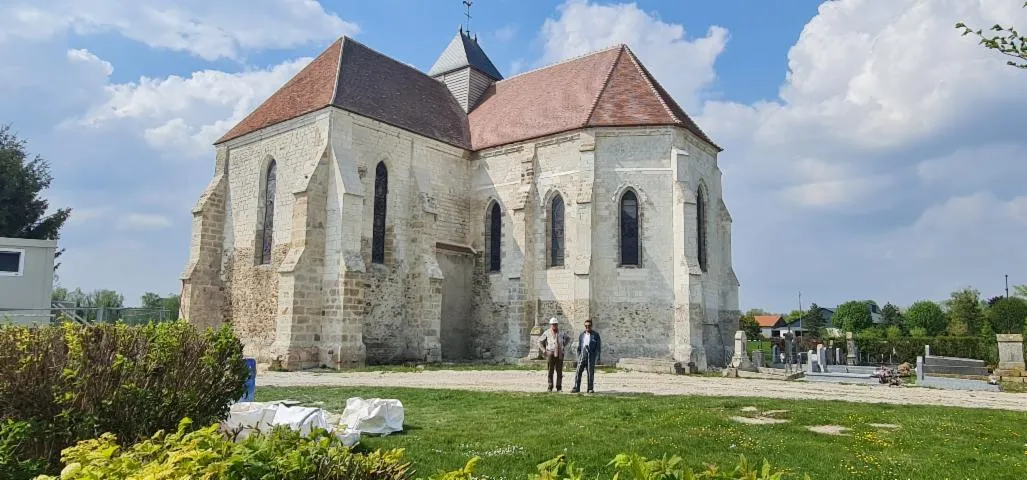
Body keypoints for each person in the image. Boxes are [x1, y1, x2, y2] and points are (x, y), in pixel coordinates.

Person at [538, 317, 570, 392]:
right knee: (550, 370)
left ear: (557, 325)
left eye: (555, 324)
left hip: (559, 353)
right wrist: (543, 350)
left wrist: (563, 346)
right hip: (550, 353)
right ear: (550, 325)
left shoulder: (562, 333)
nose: (554, 326)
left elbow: (568, 339)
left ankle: (559, 387)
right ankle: (550, 386)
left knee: (559, 371)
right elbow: (539, 341)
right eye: (553, 324)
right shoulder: (547, 332)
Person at [571, 319, 601, 393]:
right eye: (586, 326)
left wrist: (598, 358)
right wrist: (579, 356)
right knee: (578, 371)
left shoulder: (595, 335)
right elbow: (579, 347)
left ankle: (590, 388)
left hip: (591, 355)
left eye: (589, 326)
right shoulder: (582, 335)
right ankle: (576, 387)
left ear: (591, 326)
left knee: (590, 373)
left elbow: (598, 347)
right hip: (582, 355)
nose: (587, 327)